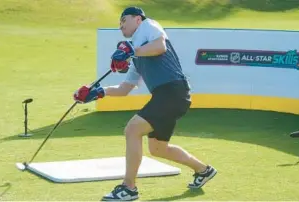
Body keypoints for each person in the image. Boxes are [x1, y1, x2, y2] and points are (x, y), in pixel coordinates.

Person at [73, 6, 217, 201]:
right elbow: (124, 89)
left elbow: (160, 47)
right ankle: (203, 170)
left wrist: (132, 50)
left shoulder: (148, 26)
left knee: (132, 130)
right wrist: (98, 92)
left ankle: (129, 188)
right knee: (158, 148)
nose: (120, 25)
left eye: (124, 20)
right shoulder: (138, 56)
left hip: (172, 92)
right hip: (170, 95)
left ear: (137, 19)